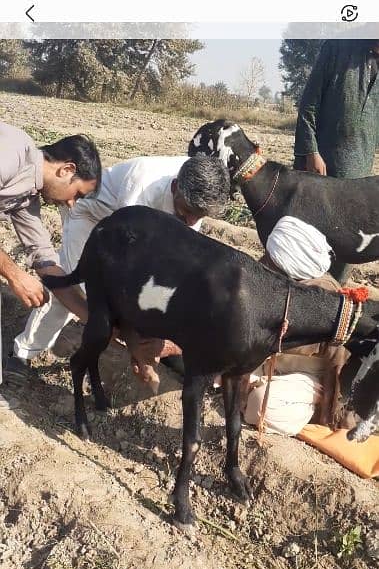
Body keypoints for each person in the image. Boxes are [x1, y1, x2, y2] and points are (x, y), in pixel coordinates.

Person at [6, 153, 230, 381]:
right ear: (175, 187)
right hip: (91, 215)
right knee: (72, 287)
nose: (192, 221)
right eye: (188, 212)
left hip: (136, 230)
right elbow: (126, 262)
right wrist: (131, 333)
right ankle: (21, 354)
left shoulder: (198, 192)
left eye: (199, 216)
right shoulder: (143, 185)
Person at [0, 121, 101, 404]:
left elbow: (45, 259)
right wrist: (14, 273)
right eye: (77, 194)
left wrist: (97, 321)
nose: (71, 205)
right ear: (66, 169)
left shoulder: (26, 197)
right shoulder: (12, 151)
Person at [241, 216, 350, 435]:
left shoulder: (325, 300)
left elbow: (337, 369)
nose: (263, 266)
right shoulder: (277, 286)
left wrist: (326, 413)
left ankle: (303, 408)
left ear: (291, 272)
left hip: (309, 381)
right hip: (269, 364)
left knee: (260, 405)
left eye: (271, 264)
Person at [294, 39, 379, 281]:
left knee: (344, 251)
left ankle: (331, 303)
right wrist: (311, 152)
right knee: (305, 247)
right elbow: (308, 106)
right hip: (319, 171)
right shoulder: (336, 49)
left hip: (358, 174)